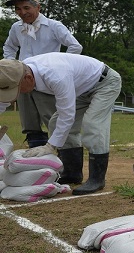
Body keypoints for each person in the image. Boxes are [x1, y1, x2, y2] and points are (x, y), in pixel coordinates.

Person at [0, 53, 122, 195]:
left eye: (17, 88)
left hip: (105, 83)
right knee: (55, 122)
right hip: (82, 90)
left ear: (28, 78)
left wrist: (50, 146)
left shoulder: (55, 75)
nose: (18, 93)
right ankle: (72, 173)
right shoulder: (19, 70)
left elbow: (67, 115)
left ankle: (97, 179)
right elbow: (2, 103)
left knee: (93, 124)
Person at [3, 0, 83, 162]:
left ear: (38, 7)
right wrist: (13, 67)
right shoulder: (16, 28)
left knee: (53, 120)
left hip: (47, 80)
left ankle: (65, 163)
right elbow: (9, 47)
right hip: (23, 81)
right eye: (18, 9)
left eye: (26, 7)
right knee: (29, 123)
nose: (22, 12)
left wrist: (63, 65)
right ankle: (36, 162)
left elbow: (75, 46)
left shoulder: (54, 26)